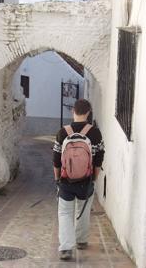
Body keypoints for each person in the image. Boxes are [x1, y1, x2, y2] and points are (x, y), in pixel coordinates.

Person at [53, 99, 105, 260]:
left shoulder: (63, 132)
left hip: (66, 181)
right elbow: (98, 160)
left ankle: (66, 248)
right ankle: (81, 240)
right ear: (88, 113)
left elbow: (56, 160)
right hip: (86, 180)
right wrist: (94, 179)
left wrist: (57, 180)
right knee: (83, 210)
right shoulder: (95, 132)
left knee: (65, 212)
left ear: (73, 111)